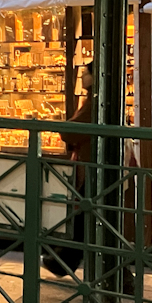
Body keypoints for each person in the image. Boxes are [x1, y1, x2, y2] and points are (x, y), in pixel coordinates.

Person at [47, 63, 93, 277]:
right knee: (86, 215)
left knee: (85, 214)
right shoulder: (94, 100)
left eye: (85, 73)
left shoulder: (93, 103)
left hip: (92, 165)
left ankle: (63, 262)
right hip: (95, 164)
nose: (82, 77)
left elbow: (71, 131)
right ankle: (63, 262)